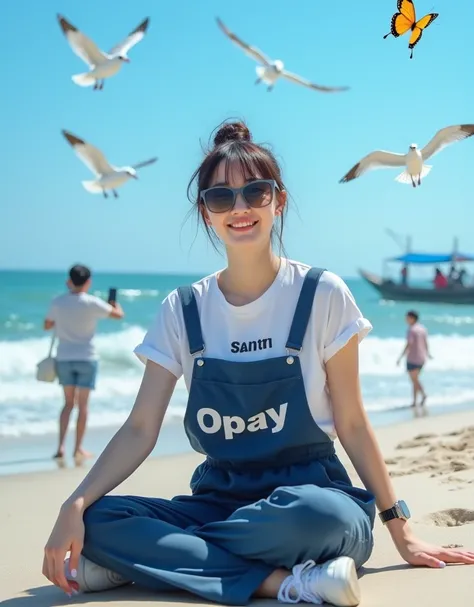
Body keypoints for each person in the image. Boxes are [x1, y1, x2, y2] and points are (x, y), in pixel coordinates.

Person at [42, 122, 474, 606]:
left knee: (319, 518)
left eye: (255, 192)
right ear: (206, 212)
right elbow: (141, 428)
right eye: (221, 197)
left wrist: (401, 529)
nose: (240, 207)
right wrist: (75, 501)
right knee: (98, 521)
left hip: (311, 500)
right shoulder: (183, 310)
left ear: (278, 201)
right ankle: (280, 582)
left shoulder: (322, 294)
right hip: (219, 501)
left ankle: (165, 560)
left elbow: (352, 422)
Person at [44, 264, 124, 459]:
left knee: (68, 404)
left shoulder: (58, 302)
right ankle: (78, 447)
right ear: (88, 282)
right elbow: (118, 316)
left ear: (69, 280)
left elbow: (47, 325)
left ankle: (60, 447)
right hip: (87, 358)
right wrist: (115, 303)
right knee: (83, 406)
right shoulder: (92, 302)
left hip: (64, 358)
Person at [396, 310, 431, 408]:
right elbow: (426, 343)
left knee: (414, 380)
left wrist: (400, 357)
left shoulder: (411, 330)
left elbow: (409, 344)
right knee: (415, 379)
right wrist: (428, 353)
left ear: (412, 318)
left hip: (412, 358)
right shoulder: (423, 329)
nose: (406, 320)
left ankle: (423, 395)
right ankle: (415, 401)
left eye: (407, 317)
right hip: (421, 358)